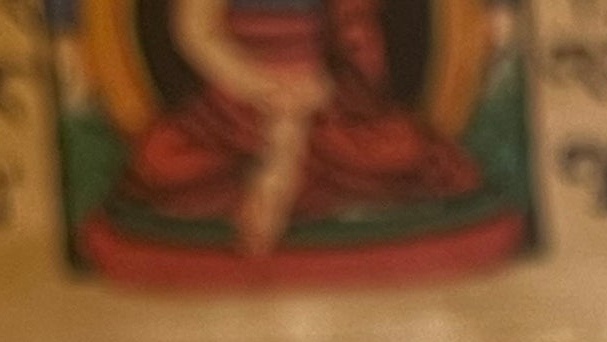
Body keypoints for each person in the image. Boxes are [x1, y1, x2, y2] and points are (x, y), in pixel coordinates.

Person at [115, 0, 482, 254]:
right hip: (235, 108)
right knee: (160, 158)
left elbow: (358, 51)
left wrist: (312, 98)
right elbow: (197, 33)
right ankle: (277, 190)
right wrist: (261, 87)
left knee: (402, 149)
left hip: (326, 108)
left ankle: (300, 192)